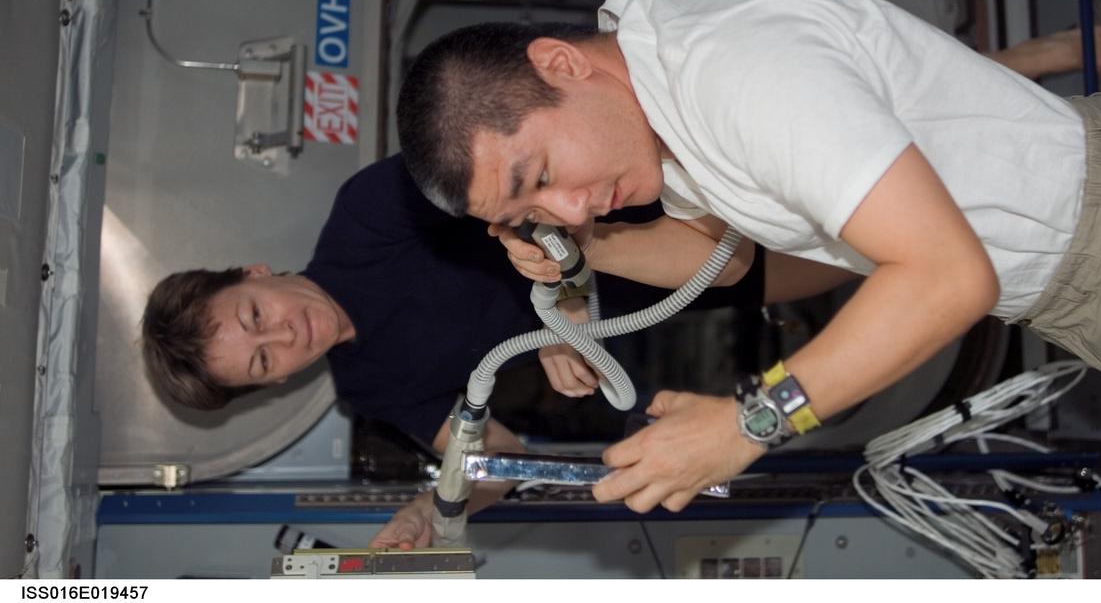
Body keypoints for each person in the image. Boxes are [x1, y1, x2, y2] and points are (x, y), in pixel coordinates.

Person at [395, 0, 1101, 515]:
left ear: (560, 64)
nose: (572, 205)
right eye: (533, 209)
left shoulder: (737, 73)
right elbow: (730, 261)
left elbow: (945, 274)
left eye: (542, 170)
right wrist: (590, 257)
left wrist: (751, 422)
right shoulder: (660, 117)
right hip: (1094, 287)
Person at [141, 153, 766, 547]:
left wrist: (565, 301)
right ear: (272, 384)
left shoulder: (367, 215)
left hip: (665, 198)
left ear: (253, 273)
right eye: (262, 361)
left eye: (255, 316)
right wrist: (429, 508)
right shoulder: (371, 387)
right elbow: (497, 457)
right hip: (688, 286)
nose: (284, 336)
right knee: (848, 266)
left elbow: (516, 171)